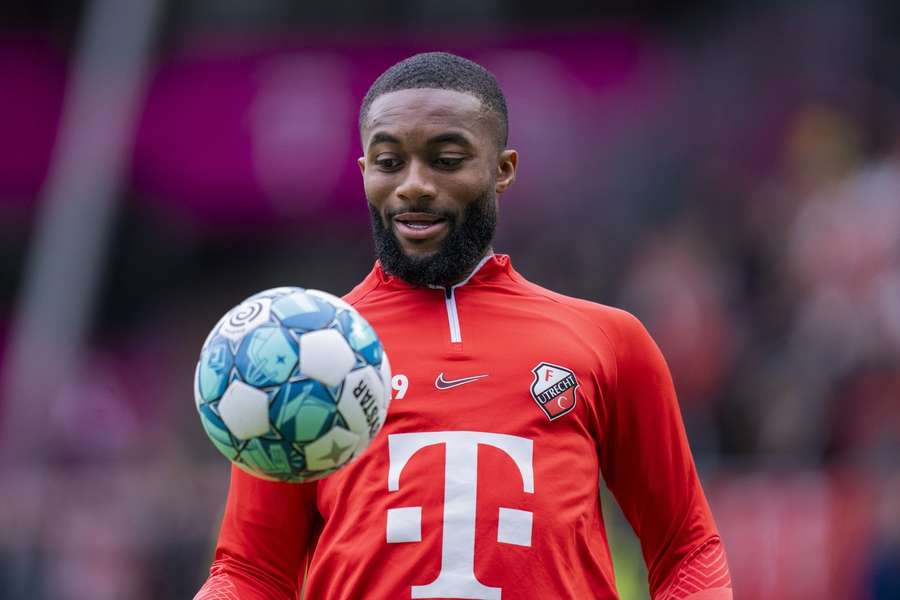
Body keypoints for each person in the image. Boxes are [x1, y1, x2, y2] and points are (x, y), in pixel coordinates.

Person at [196, 52, 733, 600]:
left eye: (447, 160)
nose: (413, 185)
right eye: (388, 162)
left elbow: (687, 549)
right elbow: (252, 573)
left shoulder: (610, 343)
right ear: (364, 173)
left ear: (503, 169)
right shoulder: (299, 358)